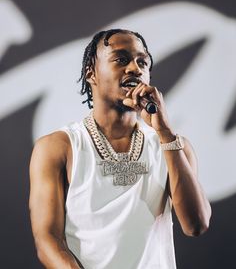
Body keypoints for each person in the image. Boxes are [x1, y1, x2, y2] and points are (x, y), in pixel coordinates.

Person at [29, 28, 211, 269]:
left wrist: (166, 133)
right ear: (91, 73)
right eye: (121, 59)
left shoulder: (174, 146)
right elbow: (47, 241)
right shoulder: (58, 146)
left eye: (142, 62)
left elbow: (195, 224)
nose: (135, 69)